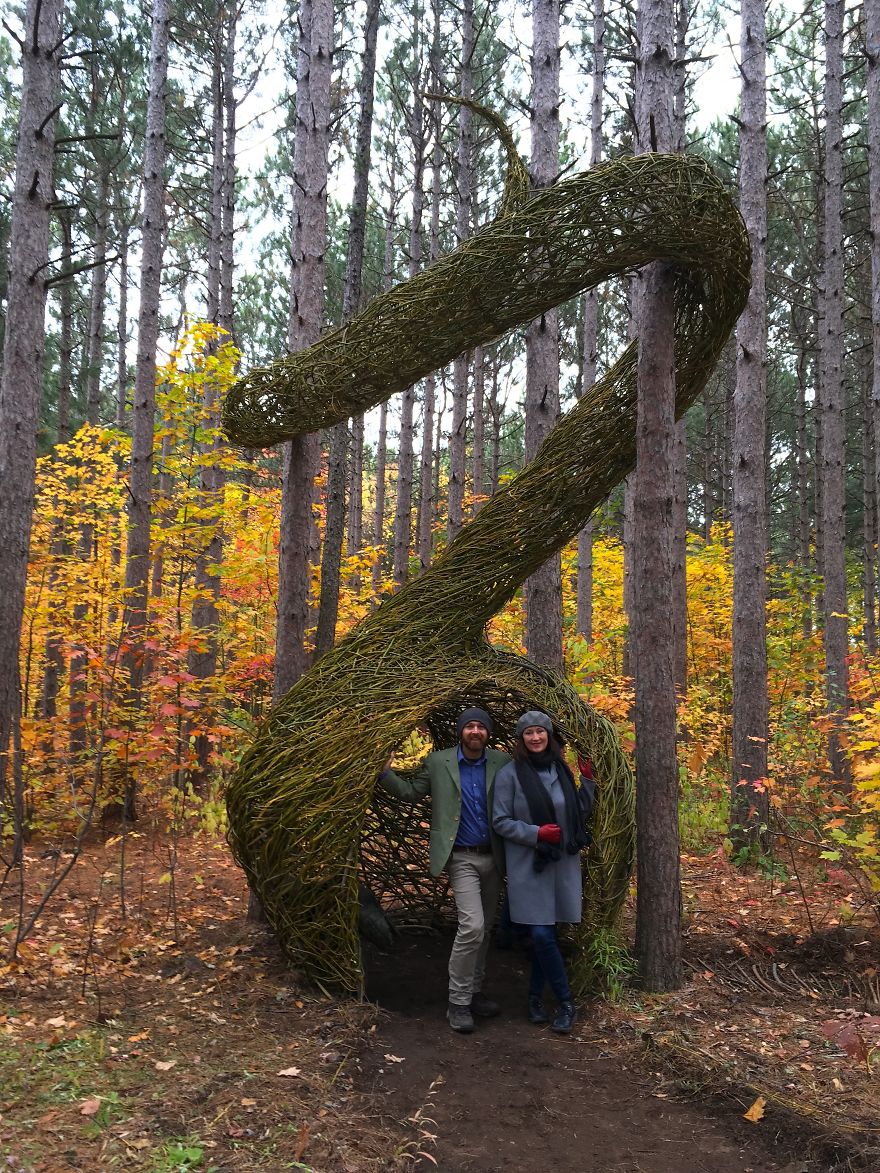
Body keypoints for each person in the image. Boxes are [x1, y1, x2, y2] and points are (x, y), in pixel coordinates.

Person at [378, 707, 510, 1033]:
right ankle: (458, 1001)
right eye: (470, 726)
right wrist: (384, 774)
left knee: (485, 929)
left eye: (481, 727)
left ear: (488, 733)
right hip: (461, 857)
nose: (475, 731)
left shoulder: (501, 762)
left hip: (494, 857)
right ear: (460, 731)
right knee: (472, 926)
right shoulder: (439, 762)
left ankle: (474, 991)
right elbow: (411, 792)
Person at [492, 710, 595, 1035]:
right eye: (528, 733)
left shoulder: (560, 770)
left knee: (546, 935)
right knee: (539, 934)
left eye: (540, 732)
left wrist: (587, 781)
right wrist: (536, 833)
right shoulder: (509, 775)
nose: (535, 737)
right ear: (521, 739)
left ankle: (535, 998)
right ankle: (566, 1003)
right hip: (530, 866)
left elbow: (578, 813)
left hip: (562, 865)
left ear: (549, 736)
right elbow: (500, 821)